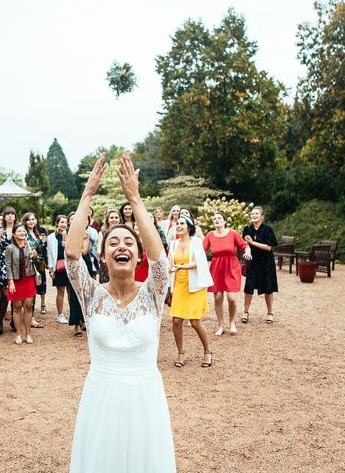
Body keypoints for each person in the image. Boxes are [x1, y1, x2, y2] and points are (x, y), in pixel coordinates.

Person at [65, 153, 176, 473]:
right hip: (100, 397)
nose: (121, 246)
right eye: (113, 242)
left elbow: (160, 261)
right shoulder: (90, 295)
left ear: (138, 253)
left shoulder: (154, 292)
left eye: (129, 242)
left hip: (145, 399)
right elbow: (72, 254)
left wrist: (135, 200)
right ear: (103, 255)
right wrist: (87, 195)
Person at [168, 215, 214, 368]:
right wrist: (169, 273)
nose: (179, 225)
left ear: (189, 227)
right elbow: (170, 263)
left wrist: (181, 267)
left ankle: (207, 352)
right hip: (178, 285)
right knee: (176, 321)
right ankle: (180, 353)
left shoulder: (196, 242)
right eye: (177, 223)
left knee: (194, 322)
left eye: (182, 223)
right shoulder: (173, 244)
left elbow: (197, 263)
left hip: (194, 285)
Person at [203, 212, 252, 336]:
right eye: (214, 218)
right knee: (218, 298)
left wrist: (248, 251)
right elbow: (201, 251)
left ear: (225, 221)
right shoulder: (210, 235)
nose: (217, 220)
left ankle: (231, 322)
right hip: (217, 268)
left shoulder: (232, 233)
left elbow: (244, 245)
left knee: (232, 298)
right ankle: (220, 325)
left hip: (231, 267)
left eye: (219, 218)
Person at [242, 206, 278, 324]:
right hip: (252, 262)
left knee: (268, 288)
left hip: (266, 263)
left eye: (256, 213)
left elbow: (268, 247)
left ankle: (270, 313)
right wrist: (247, 249)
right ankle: (245, 312)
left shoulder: (268, 229)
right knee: (248, 287)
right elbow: (244, 245)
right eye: (252, 213)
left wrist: (252, 242)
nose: (254, 215)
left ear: (262, 216)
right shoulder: (247, 229)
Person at [5, 223, 38, 344]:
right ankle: (18, 333)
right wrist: (11, 282)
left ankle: (28, 334)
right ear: (14, 234)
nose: (22, 233)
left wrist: (35, 256)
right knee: (17, 307)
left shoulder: (30, 245)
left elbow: (36, 261)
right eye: (19, 231)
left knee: (28, 307)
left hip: (28, 279)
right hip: (16, 281)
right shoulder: (9, 248)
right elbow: (8, 266)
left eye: (23, 231)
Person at [67, 211, 92, 337]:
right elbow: (68, 252)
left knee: (86, 294)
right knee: (74, 295)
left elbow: (83, 251)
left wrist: (72, 247)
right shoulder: (66, 234)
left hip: (85, 264)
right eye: (72, 219)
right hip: (72, 266)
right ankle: (76, 324)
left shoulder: (85, 234)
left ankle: (84, 320)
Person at [22, 212, 46, 327]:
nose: (31, 221)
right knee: (29, 292)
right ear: (25, 222)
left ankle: (31, 316)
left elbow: (41, 248)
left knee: (35, 291)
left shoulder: (37, 232)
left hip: (39, 265)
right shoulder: (24, 233)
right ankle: (29, 318)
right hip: (29, 265)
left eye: (33, 219)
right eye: (29, 220)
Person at [47, 215, 70, 324]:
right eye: (61, 222)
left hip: (70, 265)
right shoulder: (52, 237)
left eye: (65, 222)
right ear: (57, 223)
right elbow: (50, 253)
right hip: (59, 266)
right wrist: (51, 269)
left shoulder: (71, 234)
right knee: (60, 291)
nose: (64, 224)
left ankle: (73, 312)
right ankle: (60, 314)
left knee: (71, 291)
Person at [96, 209, 121, 284]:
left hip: (120, 261)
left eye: (116, 218)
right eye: (112, 218)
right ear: (107, 220)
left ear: (119, 219)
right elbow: (99, 250)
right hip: (106, 263)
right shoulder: (102, 232)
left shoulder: (123, 231)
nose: (114, 220)